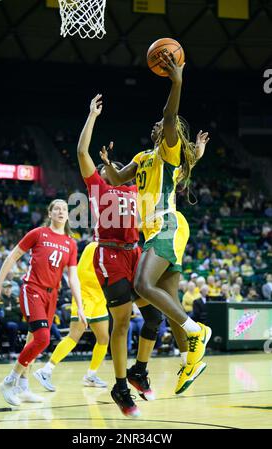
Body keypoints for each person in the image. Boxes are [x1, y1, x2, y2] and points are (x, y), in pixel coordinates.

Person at [100, 52, 211, 395]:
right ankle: (189, 360)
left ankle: (198, 332)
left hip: (165, 225)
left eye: (164, 127)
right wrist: (106, 166)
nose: (159, 126)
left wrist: (176, 82)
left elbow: (169, 115)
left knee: (143, 286)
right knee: (170, 300)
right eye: (159, 127)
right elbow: (119, 178)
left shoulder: (168, 150)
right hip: (154, 232)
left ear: (170, 134)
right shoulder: (143, 158)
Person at [74, 94, 164, 417]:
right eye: (104, 168)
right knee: (122, 321)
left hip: (135, 253)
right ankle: (121, 386)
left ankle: (139, 371)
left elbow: (159, 169)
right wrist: (92, 116)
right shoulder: (98, 187)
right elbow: (82, 151)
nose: (107, 169)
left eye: (110, 167)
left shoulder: (133, 188)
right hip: (109, 255)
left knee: (154, 318)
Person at [0, 199, 87, 407]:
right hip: (32, 289)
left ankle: (23, 387)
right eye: (57, 209)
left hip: (52, 295)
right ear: (49, 213)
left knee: (32, 341)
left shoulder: (70, 242)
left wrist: (80, 306)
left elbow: (73, 277)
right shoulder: (38, 233)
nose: (61, 212)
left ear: (68, 215)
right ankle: (9, 381)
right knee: (42, 338)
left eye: (64, 209)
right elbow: (12, 256)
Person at [34, 241, 110, 390]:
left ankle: (91, 375)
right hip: (85, 296)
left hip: (99, 298)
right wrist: (107, 278)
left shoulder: (114, 250)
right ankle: (46, 370)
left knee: (104, 338)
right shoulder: (93, 247)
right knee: (74, 336)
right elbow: (82, 273)